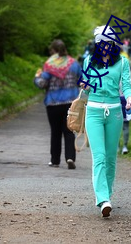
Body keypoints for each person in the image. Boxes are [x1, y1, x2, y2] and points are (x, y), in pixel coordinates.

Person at [80, 25, 131, 217]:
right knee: (99, 157)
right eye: (100, 43)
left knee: (111, 158)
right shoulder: (88, 61)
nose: (104, 46)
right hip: (93, 112)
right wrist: (84, 86)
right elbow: (85, 90)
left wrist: (128, 98)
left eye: (107, 43)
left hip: (115, 113)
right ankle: (102, 199)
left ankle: (107, 195)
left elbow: (126, 84)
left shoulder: (122, 62)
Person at [34, 39, 82, 169]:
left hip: (53, 103)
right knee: (69, 130)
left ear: (53, 51)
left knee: (55, 132)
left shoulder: (49, 65)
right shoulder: (74, 63)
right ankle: (70, 157)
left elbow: (42, 84)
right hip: (70, 103)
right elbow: (82, 80)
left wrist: (37, 77)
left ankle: (55, 161)